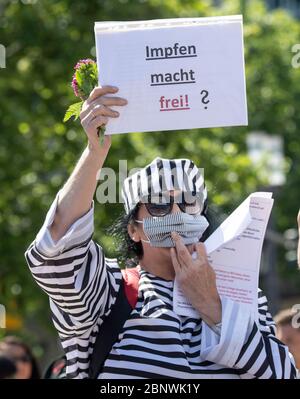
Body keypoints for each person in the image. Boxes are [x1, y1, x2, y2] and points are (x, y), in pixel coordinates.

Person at [25, 85, 296, 379]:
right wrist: (94, 152)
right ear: (133, 230)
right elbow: (56, 254)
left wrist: (213, 307)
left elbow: (283, 374)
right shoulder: (110, 291)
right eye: (158, 206)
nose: (177, 214)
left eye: (189, 203)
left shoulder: (243, 295)